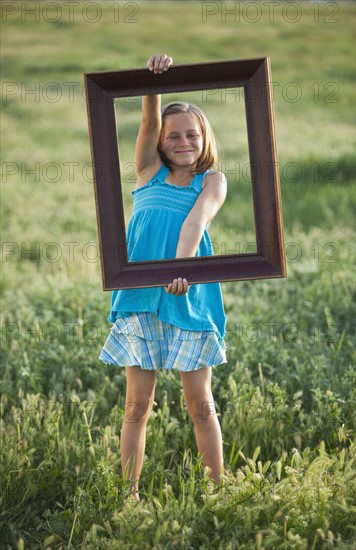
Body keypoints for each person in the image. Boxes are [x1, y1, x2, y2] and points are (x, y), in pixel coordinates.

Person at [99, 54, 229, 502]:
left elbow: (196, 223)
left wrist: (182, 267)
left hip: (188, 298)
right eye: (173, 136)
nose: (182, 141)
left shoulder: (211, 181)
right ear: (159, 142)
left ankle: (216, 490)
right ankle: (128, 493)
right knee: (137, 406)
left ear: (204, 137)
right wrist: (155, 83)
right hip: (140, 301)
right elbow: (149, 118)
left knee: (202, 404)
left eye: (192, 134)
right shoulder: (148, 172)